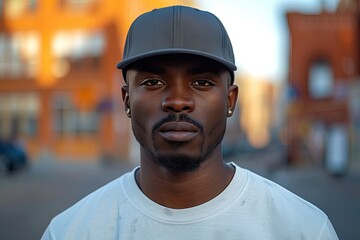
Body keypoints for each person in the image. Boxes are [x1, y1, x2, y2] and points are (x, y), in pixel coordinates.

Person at [41, 5, 338, 239]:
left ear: (230, 101)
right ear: (127, 100)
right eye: (154, 81)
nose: (178, 100)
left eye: (202, 82)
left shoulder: (304, 230)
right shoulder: (70, 232)